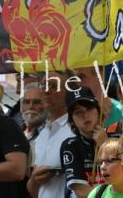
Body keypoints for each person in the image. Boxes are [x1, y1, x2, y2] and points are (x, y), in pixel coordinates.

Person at [27, 70, 74, 198]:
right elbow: (34, 189)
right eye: (44, 86)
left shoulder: (77, 131)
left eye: (54, 86)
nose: (47, 91)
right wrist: (33, 180)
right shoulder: (42, 135)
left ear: (69, 91)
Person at [60, 87, 107, 198]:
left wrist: (106, 147)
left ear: (99, 111)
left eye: (89, 108)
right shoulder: (70, 145)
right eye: (78, 112)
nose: (85, 115)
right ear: (71, 120)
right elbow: (81, 192)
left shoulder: (116, 138)